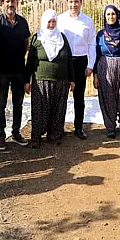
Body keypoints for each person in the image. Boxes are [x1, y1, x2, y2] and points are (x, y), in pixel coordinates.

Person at [24, 9, 75, 149]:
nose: (51, 25)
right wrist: (26, 81)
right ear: (44, 22)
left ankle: (54, 135)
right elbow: (29, 62)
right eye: (49, 22)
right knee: (40, 109)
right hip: (41, 80)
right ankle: (36, 136)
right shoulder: (37, 38)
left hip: (61, 80)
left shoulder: (62, 38)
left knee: (58, 108)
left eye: (54, 21)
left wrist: (72, 79)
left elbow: (69, 59)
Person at [0, 0, 31, 151]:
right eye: (7, 1)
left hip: (18, 71)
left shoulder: (22, 22)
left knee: (18, 103)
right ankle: (1, 135)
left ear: (17, 2)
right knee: (0, 105)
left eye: (13, 0)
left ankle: (16, 132)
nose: (10, 4)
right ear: (2, 4)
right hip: (2, 72)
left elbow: (26, 44)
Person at [93, 4, 120, 139]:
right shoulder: (100, 35)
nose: (111, 17)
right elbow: (96, 55)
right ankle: (110, 127)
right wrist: (95, 74)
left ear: (117, 16)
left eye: (113, 14)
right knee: (108, 97)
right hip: (105, 68)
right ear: (105, 17)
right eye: (108, 14)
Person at [56, 0, 96, 140]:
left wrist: (90, 65)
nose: (73, 4)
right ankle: (58, 128)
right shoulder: (60, 20)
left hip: (80, 62)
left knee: (79, 98)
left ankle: (78, 127)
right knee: (61, 97)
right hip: (64, 62)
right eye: (71, 2)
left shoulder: (87, 21)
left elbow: (92, 43)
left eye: (76, 1)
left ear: (81, 2)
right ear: (67, 3)